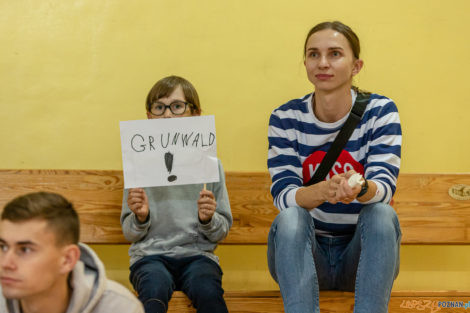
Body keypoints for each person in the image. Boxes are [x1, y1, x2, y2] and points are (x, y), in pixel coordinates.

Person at [267, 21, 402, 313]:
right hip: (305, 255)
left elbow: (385, 187)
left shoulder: (381, 112)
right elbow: (283, 196)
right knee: (290, 219)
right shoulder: (285, 117)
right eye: (313, 54)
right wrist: (324, 190)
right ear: (305, 62)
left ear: (356, 66)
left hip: (361, 255)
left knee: (381, 214)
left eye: (335, 54)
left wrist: (359, 187)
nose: (323, 63)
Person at [121, 75, 232, 313]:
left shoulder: (209, 165)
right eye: (159, 107)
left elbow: (221, 231)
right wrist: (140, 217)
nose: (168, 115)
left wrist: (207, 219)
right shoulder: (138, 166)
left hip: (198, 256)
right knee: (153, 288)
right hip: (150, 257)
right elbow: (129, 232)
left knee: (208, 291)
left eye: (177, 106)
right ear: (149, 116)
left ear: (195, 114)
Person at [0, 192, 144, 313]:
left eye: (25, 250)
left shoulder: (120, 308)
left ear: (68, 259)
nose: (5, 263)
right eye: (3, 247)